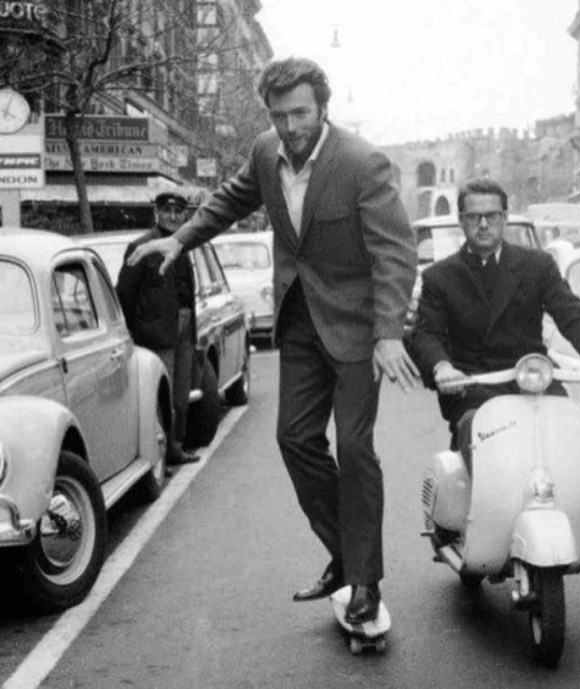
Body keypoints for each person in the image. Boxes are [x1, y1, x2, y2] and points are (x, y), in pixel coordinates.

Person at [125, 57, 418, 624]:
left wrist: (388, 334)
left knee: (355, 450)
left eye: (300, 113)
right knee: (295, 440)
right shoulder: (265, 150)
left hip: (357, 328)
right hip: (300, 322)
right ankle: (345, 554)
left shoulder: (361, 163)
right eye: (279, 115)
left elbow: (395, 252)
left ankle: (365, 582)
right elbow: (234, 199)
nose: (290, 126)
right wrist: (180, 240)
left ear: (322, 108)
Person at [406, 178, 580, 624]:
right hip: (475, 391)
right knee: (491, 459)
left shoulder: (536, 266)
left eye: (493, 216)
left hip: (533, 385)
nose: (484, 225)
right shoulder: (440, 278)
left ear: (505, 217)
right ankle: (483, 540)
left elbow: (572, 314)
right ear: (462, 221)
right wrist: (442, 368)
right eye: (474, 216)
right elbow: (425, 333)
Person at [116, 190, 200, 467]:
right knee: (160, 395)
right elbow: (125, 294)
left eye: (178, 212)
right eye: (167, 211)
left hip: (184, 329)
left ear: (184, 216)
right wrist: (136, 332)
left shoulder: (183, 246)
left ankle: (176, 446)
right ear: (157, 213)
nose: (172, 216)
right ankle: (159, 453)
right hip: (156, 333)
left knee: (180, 393)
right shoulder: (141, 247)